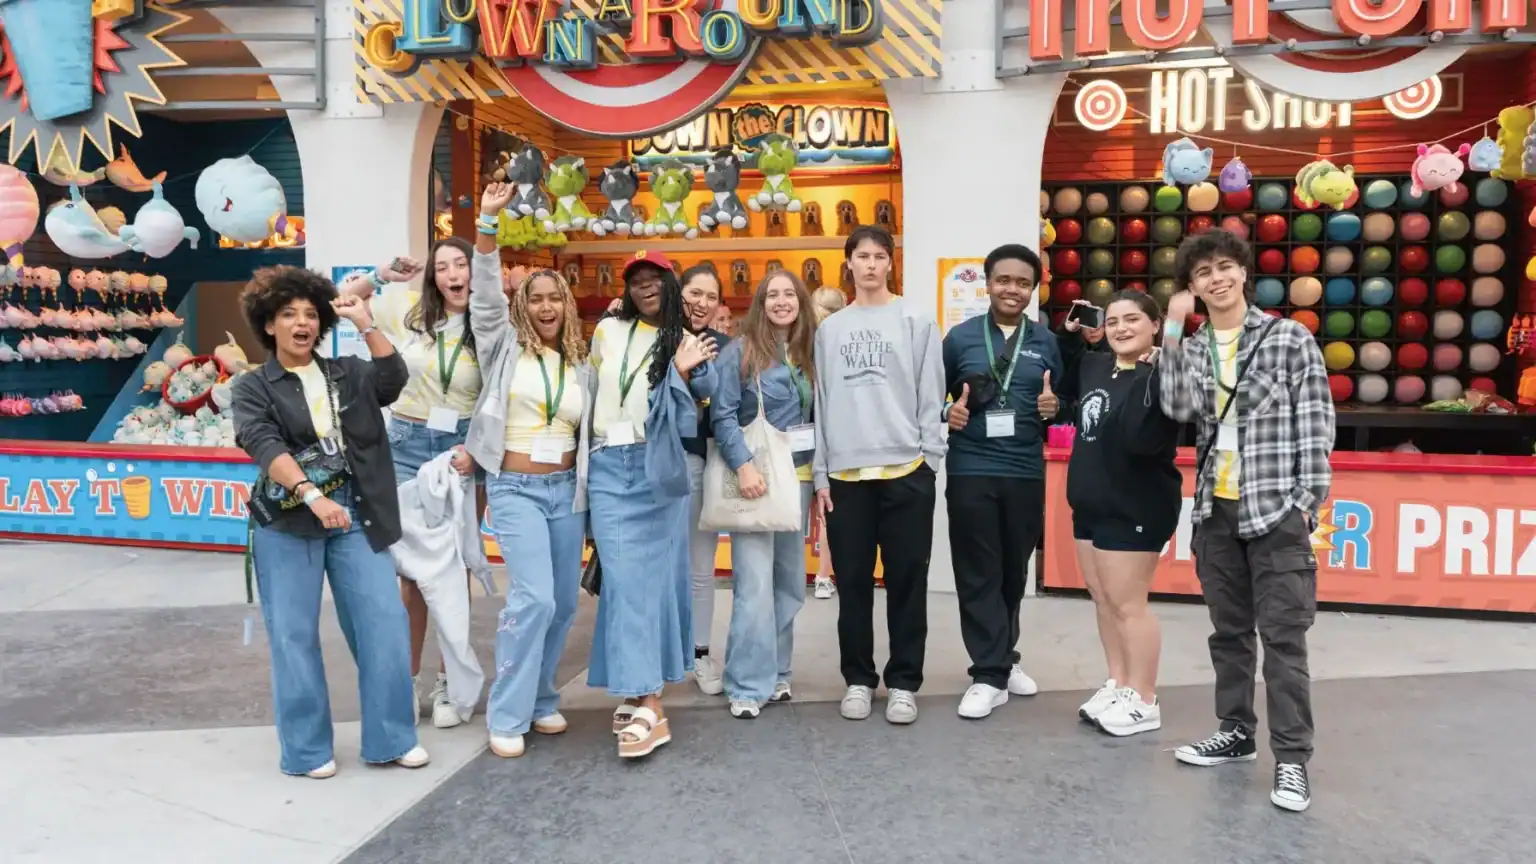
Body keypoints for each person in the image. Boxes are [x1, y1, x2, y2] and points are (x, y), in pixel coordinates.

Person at [1159, 230, 1334, 813]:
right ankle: (1235, 733)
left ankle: (1291, 761)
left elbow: (1316, 422)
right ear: (1192, 286)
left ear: (1243, 273)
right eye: (1203, 271)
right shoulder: (1195, 345)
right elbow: (1177, 407)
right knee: (1228, 634)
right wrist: (1171, 330)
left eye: (1226, 266)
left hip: (1275, 508)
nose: (1216, 278)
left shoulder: (1288, 338)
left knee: (1284, 639)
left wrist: (1306, 500)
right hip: (1216, 508)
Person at [231, 266, 428, 778]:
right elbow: (261, 441)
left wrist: (366, 323)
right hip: (288, 522)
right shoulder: (254, 387)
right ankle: (306, 751)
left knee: (384, 625)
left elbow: (393, 380)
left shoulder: (347, 373)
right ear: (269, 325)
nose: (302, 323)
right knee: (293, 637)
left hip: (355, 516)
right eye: (288, 314)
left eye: (310, 314)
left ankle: (392, 738)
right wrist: (310, 493)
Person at [460, 184, 593, 759]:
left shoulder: (580, 362)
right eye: (536, 297)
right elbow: (484, 295)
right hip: (514, 487)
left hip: (567, 491)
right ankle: (508, 712)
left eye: (554, 298)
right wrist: (488, 222)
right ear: (523, 304)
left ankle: (541, 698)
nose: (544, 307)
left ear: (565, 304)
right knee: (532, 599)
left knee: (563, 603)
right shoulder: (503, 345)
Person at [341, 237, 486, 729]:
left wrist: (480, 451)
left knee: (454, 567)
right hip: (403, 446)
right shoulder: (413, 313)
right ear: (433, 277)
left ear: (473, 270)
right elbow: (346, 297)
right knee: (408, 577)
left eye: (460, 264)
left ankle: (450, 680)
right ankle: (408, 680)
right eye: (442, 267)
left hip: (460, 452)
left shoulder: (490, 323)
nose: (452, 274)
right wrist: (382, 274)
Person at [587, 249, 719, 759]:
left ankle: (647, 699)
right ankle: (637, 687)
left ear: (672, 285)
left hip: (655, 466)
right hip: (606, 464)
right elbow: (595, 388)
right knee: (623, 581)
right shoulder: (607, 331)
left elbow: (701, 407)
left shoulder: (686, 341)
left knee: (650, 582)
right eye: (637, 280)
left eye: (656, 279)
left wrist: (684, 372)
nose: (647, 287)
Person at [812, 225, 947, 725]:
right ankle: (858, 679)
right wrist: (822, 472)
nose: (870, 265)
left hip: (907, 470)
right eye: (861, 256)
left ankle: (905, 682)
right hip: (847, 475)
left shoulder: (914, 318)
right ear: (848, 263)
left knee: (908, 582)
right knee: (852, 583)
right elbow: (823, 403)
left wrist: (930, 459)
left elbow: (932, 392)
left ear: (891, 263)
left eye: (879, 256)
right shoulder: (831, 330)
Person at [940, 244, 1059, 720]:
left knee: (1014, 570)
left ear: (1034, 288)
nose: (1013, 289)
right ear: (987, 283)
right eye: (1004, 280)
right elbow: (933, 398)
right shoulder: (960, 338)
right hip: (971, 468)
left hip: (1025, 470)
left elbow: (1062, 399)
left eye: (1023, 282)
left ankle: (1003, 659)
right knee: (977, 570)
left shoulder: (1046, 340)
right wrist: (947, 412)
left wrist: (1056, 409)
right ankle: (987, 673)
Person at [1062, 291, 1180, 736]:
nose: (1121, 328)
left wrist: (1160, 358)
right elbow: (1063, 381)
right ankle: (1118, 682)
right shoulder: (1095, 364)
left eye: (1133, 320)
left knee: (1130, 605)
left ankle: (1144, 697)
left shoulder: (1166, 373)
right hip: (1090, 500)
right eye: (1113, 321)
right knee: (1103, 597)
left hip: (1137, 503)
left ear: (1154, 324)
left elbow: (1142, 437)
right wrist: (1071, 335)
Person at [711, 271, 817, 718]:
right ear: (759, 303)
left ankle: (778, 672)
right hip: (757, 477)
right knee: (753, 585)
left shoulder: (810, 352)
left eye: (788, 293)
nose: (781, 301)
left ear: (800, 301)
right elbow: (722, 416)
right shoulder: (741, 351)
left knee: (789, 584)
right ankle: (745, 685)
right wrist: (743, 466)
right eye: (771, 294)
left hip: (802, 478)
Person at [676, 265, 731, 697]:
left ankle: (701, 653)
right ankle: (658, 656)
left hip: (699, 463)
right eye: (695, 293)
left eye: (711, 297)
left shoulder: (726, 347)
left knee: (700, 566)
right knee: (654, 566)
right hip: (649, 465)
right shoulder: (653, 340)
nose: (702, 303)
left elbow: (728, 413)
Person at [808, 286, 846, 601]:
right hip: (833, 434)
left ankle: (801, 574)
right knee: (828, 509)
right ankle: (824, 575)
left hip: (800, 433)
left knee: (798, 509)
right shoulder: (841, 342)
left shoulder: (801, 343)